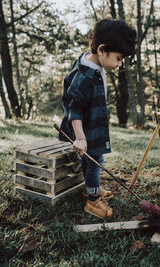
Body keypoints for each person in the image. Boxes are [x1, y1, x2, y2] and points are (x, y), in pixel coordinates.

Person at [59, 19, 136, 219]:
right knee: (95, 162)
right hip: (85, 130)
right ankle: (92, 202)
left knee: (90, 160)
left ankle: (90, 187)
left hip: (92, 124)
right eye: (118, 59)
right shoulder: (84, 76)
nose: (119, 65)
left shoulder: (92, 64)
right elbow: (74, 108)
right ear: (102, 50)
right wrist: (81, 138)